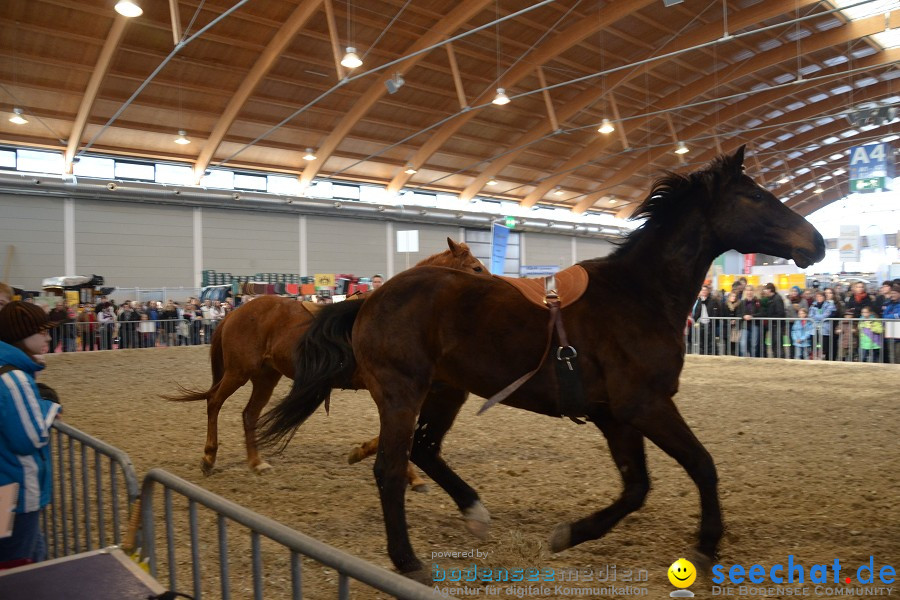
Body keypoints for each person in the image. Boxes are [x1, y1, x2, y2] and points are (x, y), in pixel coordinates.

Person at [0, 301, 63, 568]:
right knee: (18, 565)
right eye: (42, 331)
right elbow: (31, 438)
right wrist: (48, 408)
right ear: (22, 334)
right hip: (16, 491)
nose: (48, 337)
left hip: (7, 487)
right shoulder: (15, 379)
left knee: (29, 554)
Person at [881, 283, 900, 364]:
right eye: (892, 293)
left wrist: (890, 316)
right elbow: (884, 315)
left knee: (898, 354)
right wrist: (894, 316)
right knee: (891, 355)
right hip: (890, 331)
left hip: (898, 332)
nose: (893, 295)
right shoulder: (888, 303)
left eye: (895, 293)